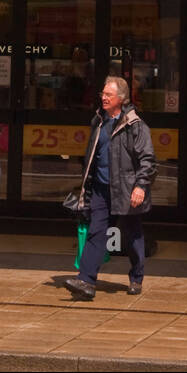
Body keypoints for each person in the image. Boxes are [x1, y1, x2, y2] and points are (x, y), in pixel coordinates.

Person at [65, 76, 156, 300]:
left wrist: (141, 186)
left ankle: (136, 277)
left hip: (126, 189)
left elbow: (148, 160)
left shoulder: (135, 125)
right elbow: (92, 156)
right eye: (102, 94)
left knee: (132, 235)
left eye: (108, 95)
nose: (103, 98)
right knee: (96, 232)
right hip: (101, 189)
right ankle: (86, 280)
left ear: (121, 99)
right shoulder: (98, 121)